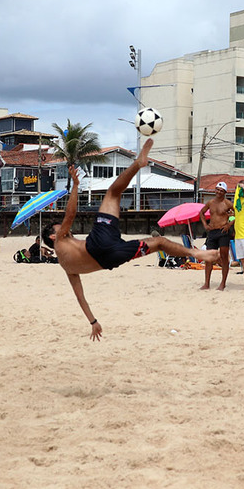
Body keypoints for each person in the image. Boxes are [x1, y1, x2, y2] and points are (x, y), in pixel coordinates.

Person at [42, 139, 218, 340]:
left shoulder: (68, 268)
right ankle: (138, 164)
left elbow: (80, 297)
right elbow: (70, 215)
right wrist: (75, 186)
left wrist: (93, 321)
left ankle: (197, 253)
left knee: (159, 242)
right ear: (52, 236)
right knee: (113, 193)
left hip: (112, 258)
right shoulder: (60, 240)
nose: (64, 228)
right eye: (58, 228)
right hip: (98, 243)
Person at [199, 182, 233, 291]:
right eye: (217, 189)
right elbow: (201, 212)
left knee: (224, 257)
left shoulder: (227, 203)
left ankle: (223, 283)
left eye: (221, 190)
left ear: (225, 193)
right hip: (212, 232)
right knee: (209, 258)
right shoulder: (210, 202)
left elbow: (237, 214)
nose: (218, 192)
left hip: (223, 231)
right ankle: (206, 283)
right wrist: (205, 224)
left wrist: (229, 224)